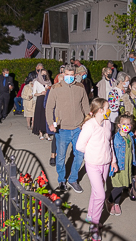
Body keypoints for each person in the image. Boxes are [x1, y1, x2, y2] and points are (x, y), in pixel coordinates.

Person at [76, 98, 118, 241]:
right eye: (107, 108)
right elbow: (79, 146)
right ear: (100, 110)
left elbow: (109, 142)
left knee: (96, 192)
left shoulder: (107, 123)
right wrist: (93, 153)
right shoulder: (89, 125)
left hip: (106, 163)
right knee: (101, 195)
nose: (109, 110)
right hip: (93, 164)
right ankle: (94, 227)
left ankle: (90, 216)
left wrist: (113, 160)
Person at [45, 64, 90, 193]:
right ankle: (61, 179)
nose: (69, 77)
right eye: (67, 75)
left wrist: (88, 121)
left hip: (78, 127)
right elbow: (49, 108)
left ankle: (73, 179)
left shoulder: (80, 88)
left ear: (75, 75)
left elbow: (85, 106)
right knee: (60, 157)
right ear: (63, 74)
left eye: (72, 75)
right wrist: (50, 123)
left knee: (80, 155)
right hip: (62, 129)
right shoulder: (55, 88)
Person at [106, 113, 136, 215]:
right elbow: (112, 151)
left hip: (127, 166)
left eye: (129, 124)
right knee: (119, 186)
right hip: (119, 167)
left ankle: (116, 203)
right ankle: (110, 200)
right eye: (124, 124)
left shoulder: (130, 136)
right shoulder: (116, 138)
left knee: (124, 184)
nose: (127, 126)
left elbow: (131, 146)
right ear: (119, 125)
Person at [32, 69, 52, 140]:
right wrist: (41, 93)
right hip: (40, 99)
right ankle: (41, 133)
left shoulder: (49, 81)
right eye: (42, 74)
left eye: (45, 74)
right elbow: (34, 93)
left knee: (47, 116)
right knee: (40, 116)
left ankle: (47, 134)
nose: (43, 75)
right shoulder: (36, 82)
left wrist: (47, 90)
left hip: (47, 99)